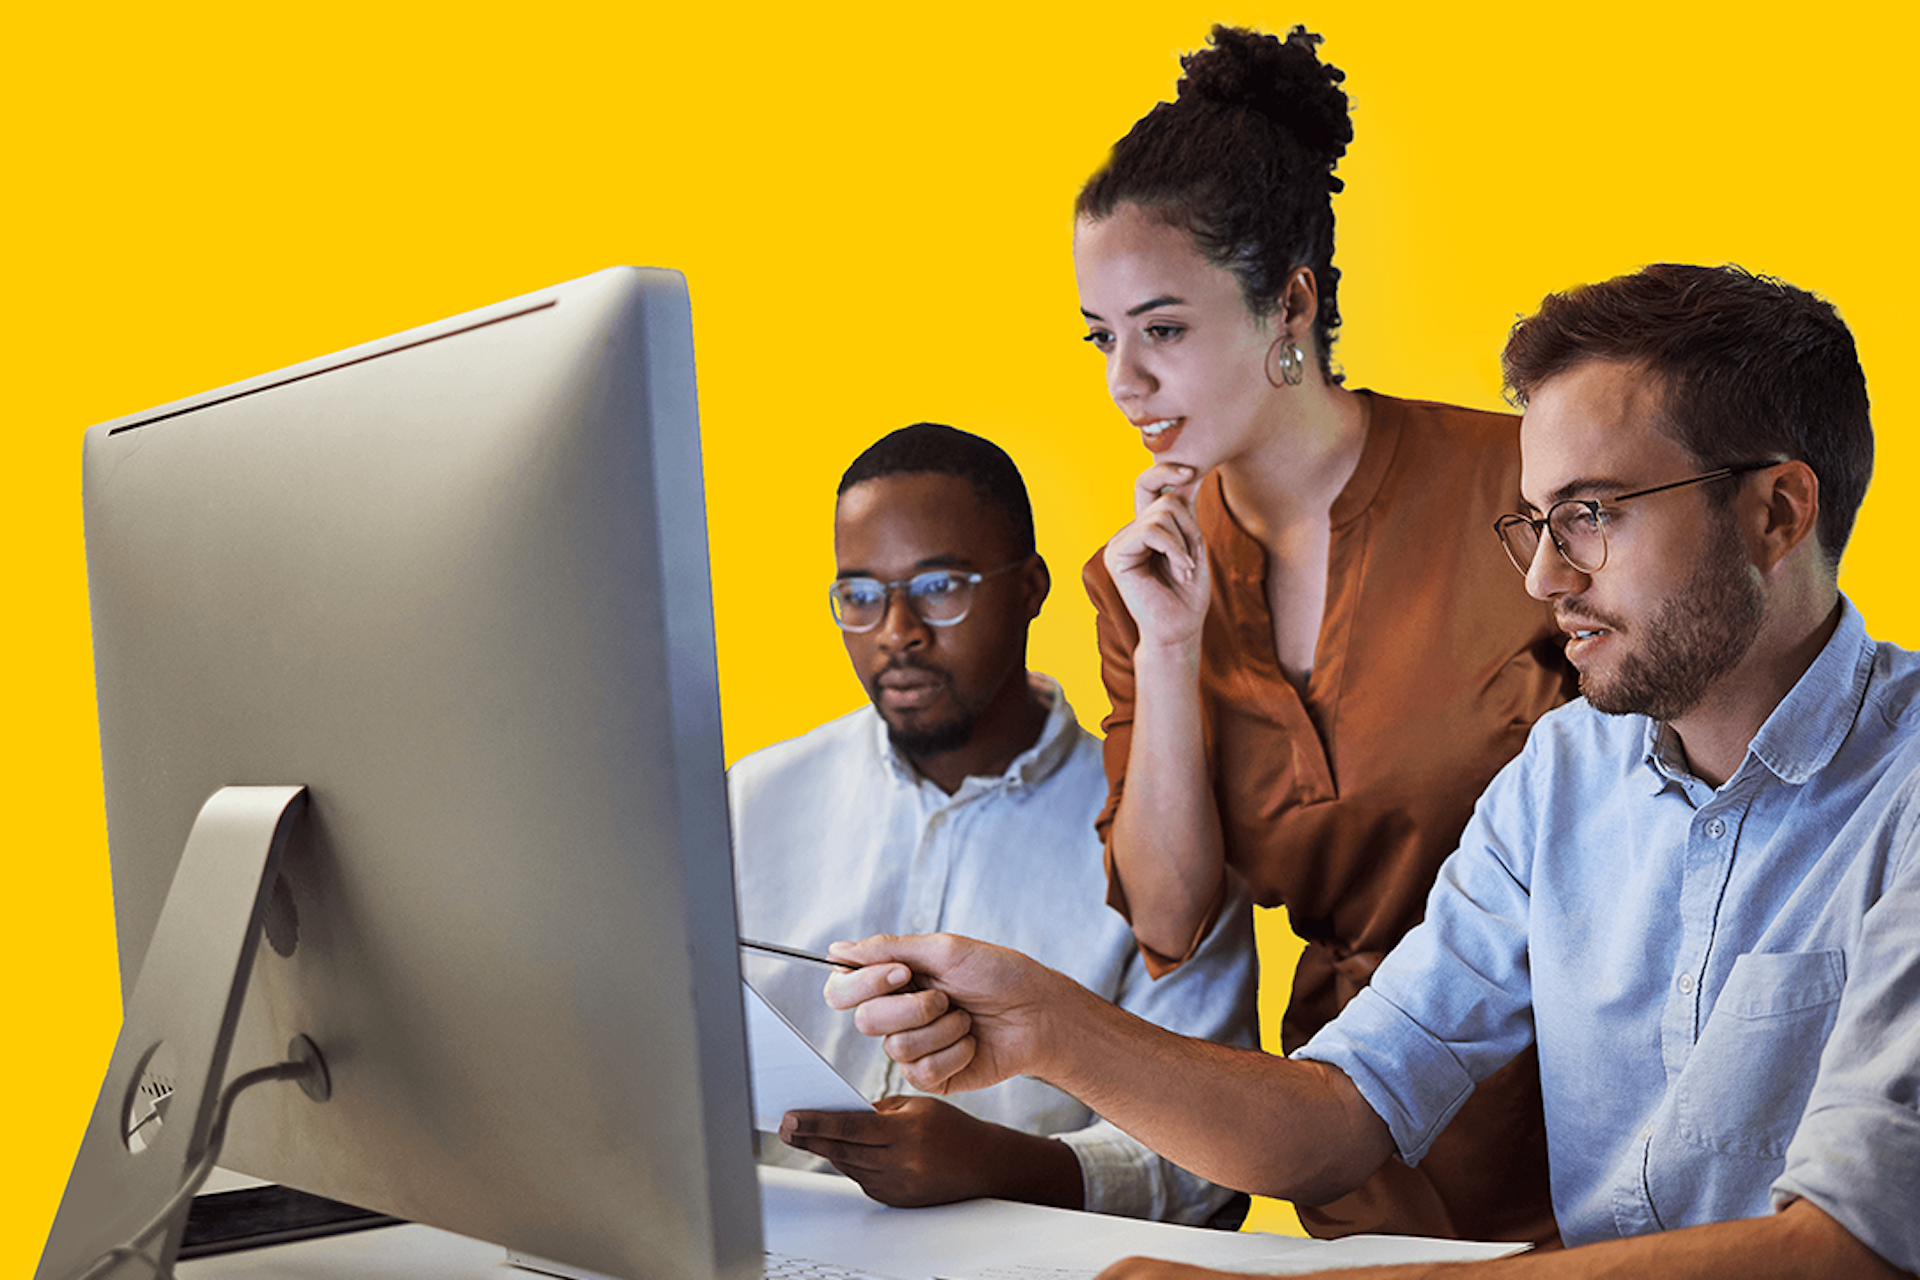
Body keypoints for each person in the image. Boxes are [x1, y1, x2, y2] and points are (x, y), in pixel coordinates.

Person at [826, 265, 1918, 1278]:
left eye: (1590, 514)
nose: (1544, 574)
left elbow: (1845, 1248)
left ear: (1778, 511)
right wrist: (1050, 1025)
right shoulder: (1564, 775)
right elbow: (1347, 1106)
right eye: (1536, 521)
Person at [1074, 25, 1568, 1244]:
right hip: (1347, 1141)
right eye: (1101, 336)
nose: (1123, 381)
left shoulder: (1524, 482)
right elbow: (1171, 917)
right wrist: (1176, 644)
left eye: (1164, 328)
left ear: (1290, 299)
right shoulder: (1139, 581)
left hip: (1591, 1113)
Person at [729, 422, 1258, 1225]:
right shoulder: (753, 800)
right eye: (860, 597)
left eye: (940, 586)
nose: (896, 631)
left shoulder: (1159, 834)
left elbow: (1214, 1159)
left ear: (1030, 587)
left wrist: (1002, 1165)